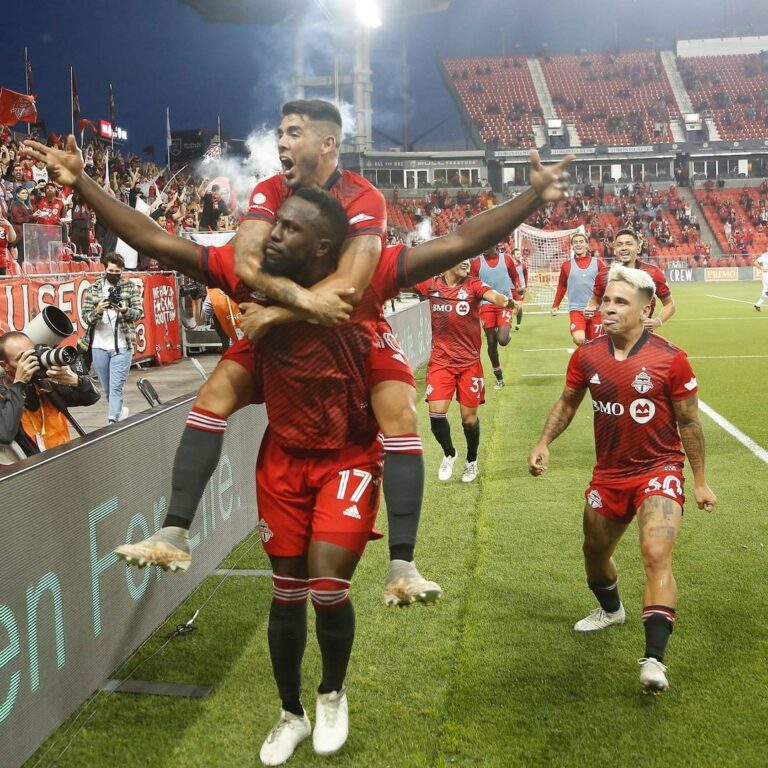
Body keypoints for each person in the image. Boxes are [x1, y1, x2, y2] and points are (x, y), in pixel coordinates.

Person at [23, 130, 573, 605]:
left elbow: (458, 241)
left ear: (323, 244)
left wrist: (530, 197)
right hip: (283, 369)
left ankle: (402, 562)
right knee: (214, 396)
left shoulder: (362, 270)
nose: (268, 231)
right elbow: (154, 239)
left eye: (284, 225)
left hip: (349, 357)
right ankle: (176, 528)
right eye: (271, 223)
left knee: (400, 412)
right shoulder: (250, 271)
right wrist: (82, 182)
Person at [528, 264, 716, 694]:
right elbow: (568, 403)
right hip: (609, 475)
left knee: (655, 552)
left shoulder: (671, 358)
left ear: (645, 308)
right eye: (606, 300)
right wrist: (543, 442)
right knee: (594, 554)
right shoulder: (587, 355)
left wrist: (699, 480)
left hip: (659, 470)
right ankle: (611, 610)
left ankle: (654, 660)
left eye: (619, 302)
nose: (607, 309)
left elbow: (689, 423)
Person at [414, 260, 516, 484]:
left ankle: (471, 461)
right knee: (436, 414)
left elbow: (493, 295)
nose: (467, 262)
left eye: (469, 258)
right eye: (462, 258)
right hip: (441, 362)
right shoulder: (431, 285)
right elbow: (401, 283)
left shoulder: (473, 285)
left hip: (469, 363)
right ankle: (449, 453)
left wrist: (504, 301)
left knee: (469, 420)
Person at [0, 331, 99, 459]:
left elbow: (91, 397)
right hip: (31, 468)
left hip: (65, 457)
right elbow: (4, 434)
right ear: (5, 365)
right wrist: (19, 384)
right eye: (22, 358)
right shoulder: (3, 393)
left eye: (32, 353)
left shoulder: (44, 382)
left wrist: (76, 381)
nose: (31, 362)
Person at [79, 253, 143, 423]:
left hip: (122, 344)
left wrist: (124, 310)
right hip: (99, 345)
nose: (113, 273)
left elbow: (138, 313)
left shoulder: (130, 287)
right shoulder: (93, 289)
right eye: (110, 270)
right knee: (107, 389)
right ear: (105, 268)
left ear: (122, 271)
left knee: (116, 387)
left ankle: (112, 421)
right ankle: (119, 411)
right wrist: (98, 310)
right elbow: (86, 318)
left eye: (117, 271)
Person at [585, 229, 675, 331]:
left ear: (638, 248)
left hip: (642, 335)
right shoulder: (604, 275)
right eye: (619, 244)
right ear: (614, 250)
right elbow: (594, 301)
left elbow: (669, 304)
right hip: (612, 335)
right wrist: (591, 308)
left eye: (629, 244)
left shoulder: (653, 273)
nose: (624, 248)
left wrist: (657, 321)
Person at [468, 245, 522, 389]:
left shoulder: (506, 259)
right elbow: (471, 285)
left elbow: (514, 275)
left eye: (488, 243)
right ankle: (499, 376)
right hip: (486, 304)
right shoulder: (476, 263)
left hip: (505, 302)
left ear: (495, 244)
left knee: (502, 340)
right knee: (491, 342)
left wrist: (517, 287)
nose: (484, 247)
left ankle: (506, 333)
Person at [551, 232, 607, 345]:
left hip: (595, 310)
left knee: (596, 343)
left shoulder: (598, 264)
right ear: (572, 246)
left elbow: (607, 285)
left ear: (587, 245)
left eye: (581, 241)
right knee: (580, 339)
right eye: (575, 242)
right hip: (576, 309)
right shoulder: (566, 265)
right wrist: (555, 305)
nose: (578, 244)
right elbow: (562, 286)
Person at [510, 246, 528, 331]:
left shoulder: (523, 266)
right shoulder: (508, 266)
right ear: (513, 255)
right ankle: (508, 322)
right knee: (509, 306)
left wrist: (525, 287)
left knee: (519, 306)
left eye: (519, 253)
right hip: (510, 288)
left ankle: (518, 324)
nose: (519, 255)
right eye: (517, 254)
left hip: (520, 289)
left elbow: (525, 276)